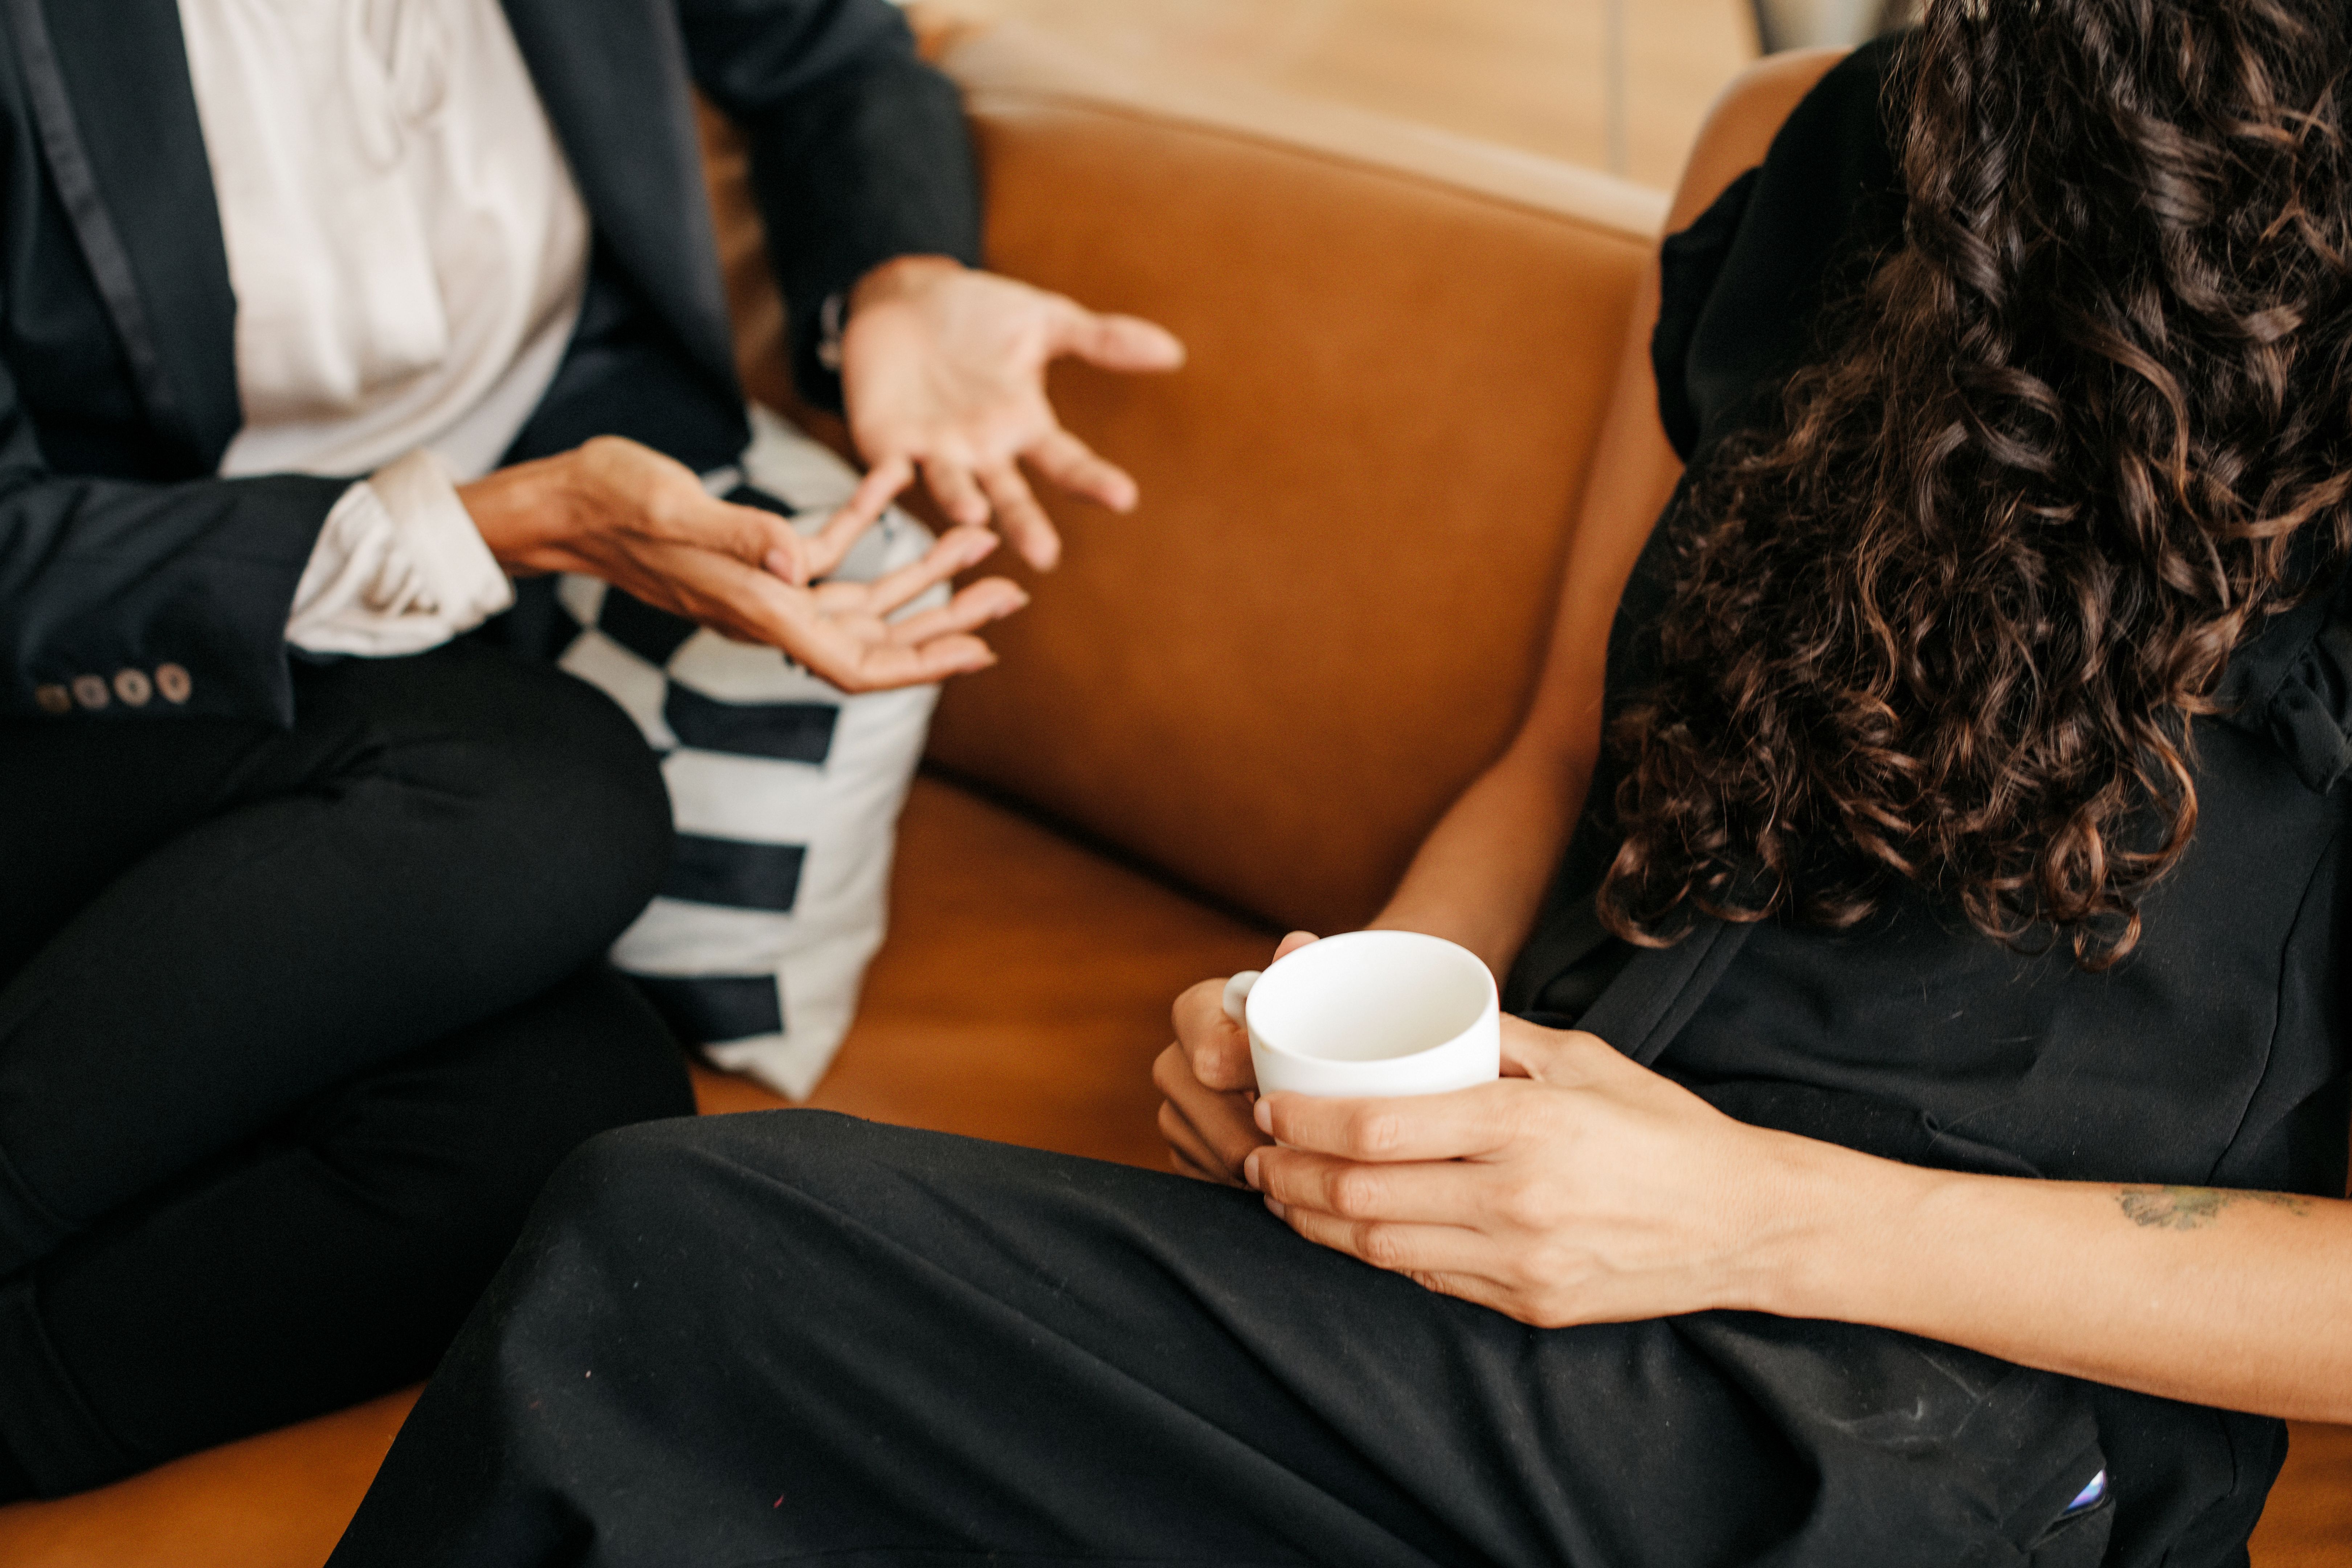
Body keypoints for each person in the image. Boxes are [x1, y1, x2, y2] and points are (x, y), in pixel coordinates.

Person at [325, 4, 2352, 1565]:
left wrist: (1754, 1223)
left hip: (1932, 1428)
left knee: (661, 1258)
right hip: (1491, 1287)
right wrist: (1342, 1012)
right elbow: (1564, 756)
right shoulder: (1797, 150)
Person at [0, 0, 1180, 1502]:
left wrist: (901, 277)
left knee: (571, 1111)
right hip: (102, 654)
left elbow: (826, 51)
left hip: (430, 655)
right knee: (545, 790)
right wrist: (497, 523)